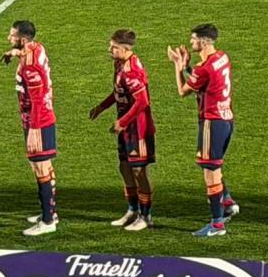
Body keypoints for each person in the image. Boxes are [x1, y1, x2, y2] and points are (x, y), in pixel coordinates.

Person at [168, 23, 238, 238]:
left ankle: (217, 225)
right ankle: (227, 202)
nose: (191, 42)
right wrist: (190, 68)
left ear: (204, 41)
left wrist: (178, 66)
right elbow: (204, 82)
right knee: (214, 165)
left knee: (210, 172)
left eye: (194, 39)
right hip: (227, 119)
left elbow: (183, 91)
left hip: (212, 122)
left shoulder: (204, 67)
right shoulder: (222, 58)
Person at [91, 28, 156, 231]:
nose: (109, 49)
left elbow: (142, 101)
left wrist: (123, 121)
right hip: (126, 127)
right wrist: (102, 106)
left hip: (138, 128)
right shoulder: (119, 64)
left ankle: (146, 217)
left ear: (126, 48)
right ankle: (132, 210)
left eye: (114, 47)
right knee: (125, 167)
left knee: (139, 171)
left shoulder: (131, 70)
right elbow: (118, 91)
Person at [4, 20, 59, 236]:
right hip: (41, 117)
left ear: (23, 39)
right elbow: (28, 51)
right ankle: (50, 212)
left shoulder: (30, 67)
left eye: (12, 36)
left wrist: (34, 130)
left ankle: (47, 221)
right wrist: (13, 53)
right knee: (43, 166)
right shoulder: (36, 48)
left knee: (40, 168)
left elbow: (37, 98)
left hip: (39, 120)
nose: (9, 38)